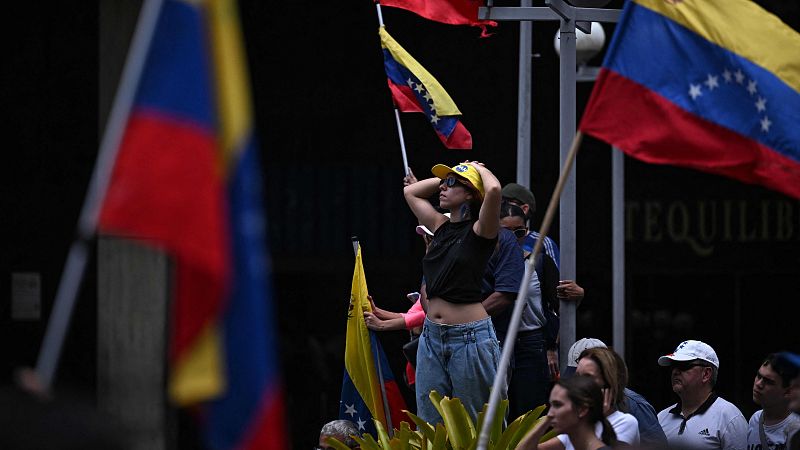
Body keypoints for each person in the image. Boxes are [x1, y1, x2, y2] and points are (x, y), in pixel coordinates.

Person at [403, 161, 502, 424]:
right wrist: (449, 177)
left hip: (469, 336)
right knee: (430, 421)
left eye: (451, 184)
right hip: (431, 336)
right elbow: (411, 193)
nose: (442, 189)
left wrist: (476, 169)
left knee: (475, 422)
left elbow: (494, 190)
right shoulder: (440, 226)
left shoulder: (482, 231)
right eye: (443, 184)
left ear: (469, 193)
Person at [501, 183, 584, 374]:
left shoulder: (542, 245)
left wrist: (551, 346)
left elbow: (559, 296)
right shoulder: (488, 245)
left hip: (533, 337)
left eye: (507, 203)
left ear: (524, 209)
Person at [497, 201, 555, 418]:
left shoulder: (539, 262)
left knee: (530, 411)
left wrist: (551, 348)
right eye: (505, 231)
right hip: (496, 341)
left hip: (531, 343)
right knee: (497, 409)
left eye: (519, 231)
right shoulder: (487, 263)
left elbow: (556, 304)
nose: (512, 237)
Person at [562, 338, 668, 448]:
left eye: (587, 377)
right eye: (576, 377)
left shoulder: (633, 406)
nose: (579, 384)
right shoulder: (576, 403)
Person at [657, 340, 747, 450]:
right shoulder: (661, 417)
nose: (675, 371)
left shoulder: (729, 417)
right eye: (674, 366)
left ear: (706, 374)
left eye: (683, 365)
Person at [516, 375, 618, 450]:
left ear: (582, 410)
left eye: (558, 405)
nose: (550, 413)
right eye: (550, 405)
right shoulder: (567, 442)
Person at [574, 347, 640, 446]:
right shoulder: (577, 419)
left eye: (587, 377)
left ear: (608, 383)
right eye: (577, 376)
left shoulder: (625, 422)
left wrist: (599, 419)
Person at [747, 353, 800, 450]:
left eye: (768, 382)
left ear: (788, 391)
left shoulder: (796, 427)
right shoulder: (755, 419)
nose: (758, 384)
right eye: (759, 376)